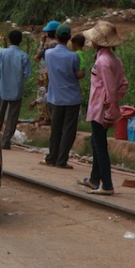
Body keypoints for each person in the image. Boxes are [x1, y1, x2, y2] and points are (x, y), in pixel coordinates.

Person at [78, 21, 129, 196]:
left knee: (99, 145)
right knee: (96, 142)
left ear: (98, 42)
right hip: (101, 108)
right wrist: (113, 101)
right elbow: (123, 85)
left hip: (101, 110)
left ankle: (107, 184)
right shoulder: (114, 60)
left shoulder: (104, 62)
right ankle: (94, 178)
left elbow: (110, 89)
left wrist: (109, 109)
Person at [41, 23, 84, 169]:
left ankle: (52, 157)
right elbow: (77, 75)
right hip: (72, 98)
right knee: (68, 130)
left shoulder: (48, 54)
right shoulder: (74, 57)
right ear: (69, 39)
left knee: (56, 129)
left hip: (55, 97)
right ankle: (61, 160)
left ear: (57, 37)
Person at [0, 30, 32, 149]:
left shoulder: (2, 53)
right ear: (20, 41)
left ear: (9, 40)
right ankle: (5, 142)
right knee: (12, 117)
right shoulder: (24, 56)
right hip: (16, 90)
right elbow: (27, 74)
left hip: (2, 88)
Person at [34, 20, 60, 125]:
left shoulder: (51, 44)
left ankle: (46, 117)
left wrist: (41, 42)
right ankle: (43, 116)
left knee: (43, 92)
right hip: (48, 71)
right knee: (43, 92)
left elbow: (37, 57)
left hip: (46, 72)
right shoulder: (57, 44)